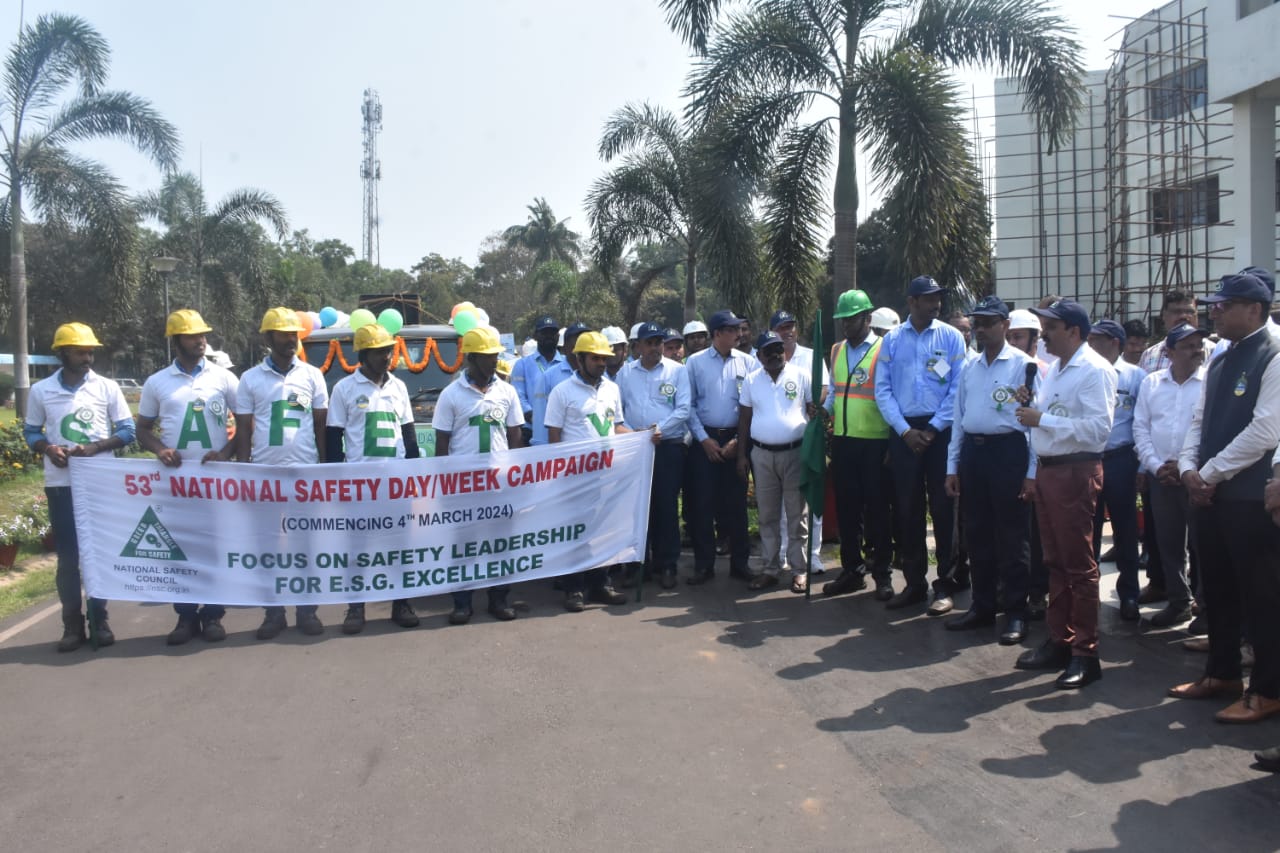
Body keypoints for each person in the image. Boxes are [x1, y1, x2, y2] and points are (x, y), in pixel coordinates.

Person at [1170, 272, 1280, 723]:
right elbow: (1200, 419)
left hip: (1250, 498)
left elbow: (1266, 429)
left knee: (1262, 598)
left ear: (1254, 309)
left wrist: (1209, 473)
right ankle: (1222, 673)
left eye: (1224, 305)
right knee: (1218, 590)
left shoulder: (1273, 352)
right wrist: (1189, 469)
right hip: (1211, 494)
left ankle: (1268, 690)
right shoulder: (1220, 355)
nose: (1214, 311)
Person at [1013, 299, 1116, 689]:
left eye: (1051, 328)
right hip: (1050, 470)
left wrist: (1043, 418)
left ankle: (1086, 653)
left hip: (1076, 472)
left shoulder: (1094, 370)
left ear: (1073, 331)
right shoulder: (1056, 369)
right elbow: (1058, 418)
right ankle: (1061, 639)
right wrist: (1034, 408)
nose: (1045, 335)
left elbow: (1096, 430)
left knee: (1078, 564)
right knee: (1055, 560)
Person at [25, 323, 135, 652]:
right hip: (61, 485)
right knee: (68, 558)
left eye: (90, 352)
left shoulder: (106, 387)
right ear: (62, 353)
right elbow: (31, 432)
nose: (87, 357)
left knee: (98, 554)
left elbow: (128, 431)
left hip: (101, 482)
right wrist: (48, 448)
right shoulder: (41, 390)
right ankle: (71, 625)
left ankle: (99, 619)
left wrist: (96, 448)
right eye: (79, 352)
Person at [135, 309, 239, 645]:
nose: (201, 340)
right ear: (176, 340)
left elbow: (249, 422)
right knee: (179, 549)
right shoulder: (157, 382)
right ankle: (185, 617)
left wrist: (225, 454)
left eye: (203, 334)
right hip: (176, 483)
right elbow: (142, 430)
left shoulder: (223, 378)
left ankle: (212, 616)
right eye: (194, 336)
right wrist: (160, 449)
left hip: (215, 481)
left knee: (213, 547)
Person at [943, 297, 1036, 645]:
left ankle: (1015, 612)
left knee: (1012, 537)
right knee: (977, 534)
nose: (981, 329)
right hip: (975, 453)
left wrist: (1031, 473)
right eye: (977, 323)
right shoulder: (970, 367)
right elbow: (958, 420)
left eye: (989, 322)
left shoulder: (1024, 366)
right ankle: (982, 607)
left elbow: (1034, 426)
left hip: (1008, 453)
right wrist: (952, 466)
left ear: (1005, 326)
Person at [873, 275, 967, 614]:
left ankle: (946, 584)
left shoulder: (952, 337)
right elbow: (881, 389)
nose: (936, 303)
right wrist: (903, 430)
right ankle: (914, 584)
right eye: (928, 298)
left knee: (945, 509)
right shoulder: (892, 341)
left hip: (940, 432)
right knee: (908, 509)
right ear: (912, 302)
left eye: (938, 297)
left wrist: (933, 428)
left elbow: (959, 386)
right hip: (904, 434)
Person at [234, 307, 330, 639]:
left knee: (306, 546)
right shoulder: (250, 379)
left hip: (305, 476)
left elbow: (320, 427)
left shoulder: (312, 375)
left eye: (294, 334)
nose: (291, 340)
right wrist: (245, 473)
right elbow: (244, 431)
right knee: (269, 548)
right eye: (284, 334)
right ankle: (273, 613)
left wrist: (324, 470)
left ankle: (307, 611)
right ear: (268, 337)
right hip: (265, 477)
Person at [325, 323, 422, 634]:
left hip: (394, 485)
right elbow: (332, 439)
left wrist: (413, 474)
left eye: (389, 351)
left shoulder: (399, 387)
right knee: (357, 549)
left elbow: (408, 434)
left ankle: (401, 603)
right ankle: (355, 608)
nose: (387, 357)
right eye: (380, 352)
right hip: (359, 486)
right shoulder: (344, 388)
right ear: (364, 354)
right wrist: (337, 482)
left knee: (399, 547)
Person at [433, 326, 527, 623]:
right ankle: (462, 603)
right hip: (463, 487)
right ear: (471, 358)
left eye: (494, 355)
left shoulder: (507, 391)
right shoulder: (451, 395)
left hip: (499, 486)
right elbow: (442, 444)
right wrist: (444, 485)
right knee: (464, 546)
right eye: (486, 356)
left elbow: (515, 436)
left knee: (500, 545)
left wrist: (512, 475)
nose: (492, 361)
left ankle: (499, 599)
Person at [545, 331, 631, 611]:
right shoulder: (562, 392)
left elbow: (616, 426)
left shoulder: (612, 389)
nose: (601, 363)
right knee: (576, 532)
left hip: (607, 474)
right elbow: (554, 435)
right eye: (595, 358)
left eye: (604, 358)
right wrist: (560, 474)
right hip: (575, 477)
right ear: (579, 359)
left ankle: (601, 584)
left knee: (603, 530)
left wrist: (639, 436)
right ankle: (574, 588)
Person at [1133, 322, 1206, 629]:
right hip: (1161, 477)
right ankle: (1178, 602)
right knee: (1168, 544)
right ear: (1170, 352)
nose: (1196, 351)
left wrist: (1187, 466)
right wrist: (1155, 465)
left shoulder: (1209, 382)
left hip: (1198, 478)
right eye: (1188, 346)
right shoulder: (1151, 384)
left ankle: (1206, 607)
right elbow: (1141, 428)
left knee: (1204, 547)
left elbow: (1208, 430)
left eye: (1198, 345)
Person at [821, 290, 894, 601]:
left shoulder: (884, 348)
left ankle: (882, 574)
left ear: (867, 318)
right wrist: (820, 411)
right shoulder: (837, 350)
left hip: (876, 442)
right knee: (848, 511)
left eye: (851, 319)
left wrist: (894, 440)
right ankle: (852, 571)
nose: (845, 325)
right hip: (844, 441)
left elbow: (892, 395)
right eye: (842, 320)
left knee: (878, 511)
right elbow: (836, 393)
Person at [684, 309, 758, 584]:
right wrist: (704, 439)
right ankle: (704, 565)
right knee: (703, 504)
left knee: (736, 505)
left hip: (737, 439)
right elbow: (688, 405)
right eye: (732, 330)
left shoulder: (748, 363)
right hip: (705, 441)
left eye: (739, 329)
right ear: (717, 334)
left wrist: (739, 442)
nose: (739, 334)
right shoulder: (695, 363)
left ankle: (741, 563)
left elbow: (753, 406)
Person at [617, 322, 690, 590]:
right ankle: (639, 565)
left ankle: (667, 564)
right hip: (636, 448)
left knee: (666, 507)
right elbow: (618, 410)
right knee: (637, 509)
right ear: (637, 346)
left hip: (668, 447)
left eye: (659, 342)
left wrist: (658, 430)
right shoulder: (625, 373)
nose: (655, 348)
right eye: (649, 343)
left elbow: (683, 409)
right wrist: (633, 433)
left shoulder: (677, 371)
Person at [737, 331, 811, 593]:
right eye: (768, 350)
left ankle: (799, 570)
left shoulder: (801, 375)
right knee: (767, 515)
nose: (775, 354)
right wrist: (742, 456)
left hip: (795, 453)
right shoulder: (751, 380)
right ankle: (770, 569)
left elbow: (813, 413)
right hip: (762, 455)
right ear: (759, 356)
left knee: (796, 515)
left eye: (779, 348)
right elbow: (744, 420)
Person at [1085, 319, 1144, 621]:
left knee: (1125, 530)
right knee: (1089, 531)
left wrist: (1141, 464)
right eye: (1090, 338)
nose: (1091, 344)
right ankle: (1088, 594)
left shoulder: (1135, 376)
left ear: (1116, 343)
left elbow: (1143, 421)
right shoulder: (1087, 373)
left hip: (1121, 459)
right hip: (1090, 459)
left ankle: (1129, 595)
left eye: (1098, 339)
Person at [771, 309, 829, 575]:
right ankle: (784, 552)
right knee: (784, 503)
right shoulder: (766, 357)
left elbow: (825, 388)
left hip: (807, 438)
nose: (788, 331)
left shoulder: (811, 356)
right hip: (781, 443)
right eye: (782, 327)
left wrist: (816, 406)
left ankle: (812, 555)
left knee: (809, 498)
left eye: (791, 326)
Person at [509, 315, 566, 447]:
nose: (548, 336)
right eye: (544, 332)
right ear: (536, 335)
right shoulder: (522, 365)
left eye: (552, 333)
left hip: (562, 431)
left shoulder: (566, 364)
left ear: (557, 336)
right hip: (531, 431)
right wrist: (536, 417)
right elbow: (518, 396)